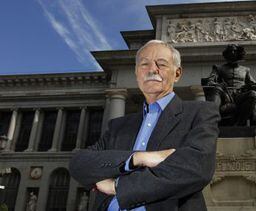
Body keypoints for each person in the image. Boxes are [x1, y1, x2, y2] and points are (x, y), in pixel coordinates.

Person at [69, 40, 220, 211]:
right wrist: (137, 158)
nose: (152, 69)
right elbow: (78, 163)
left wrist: (117, 187)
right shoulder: (119, 126)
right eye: (144, 64)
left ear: (177, 74)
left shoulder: (199, 112)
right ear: (136, 73)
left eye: (161, 64)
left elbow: (196, 168)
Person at [203, 44, 256, 126]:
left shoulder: (245, 70)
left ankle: (239, 124)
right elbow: (210, 81)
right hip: (225, 96)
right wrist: (219, 84)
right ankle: (212, 119)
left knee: (253, 94)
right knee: (215, 93)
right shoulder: (219, 68)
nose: (232, 53)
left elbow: (253, 83)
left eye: (234, 51)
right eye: (230, 51)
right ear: (226, 54)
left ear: (239, 53)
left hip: (240, 96)